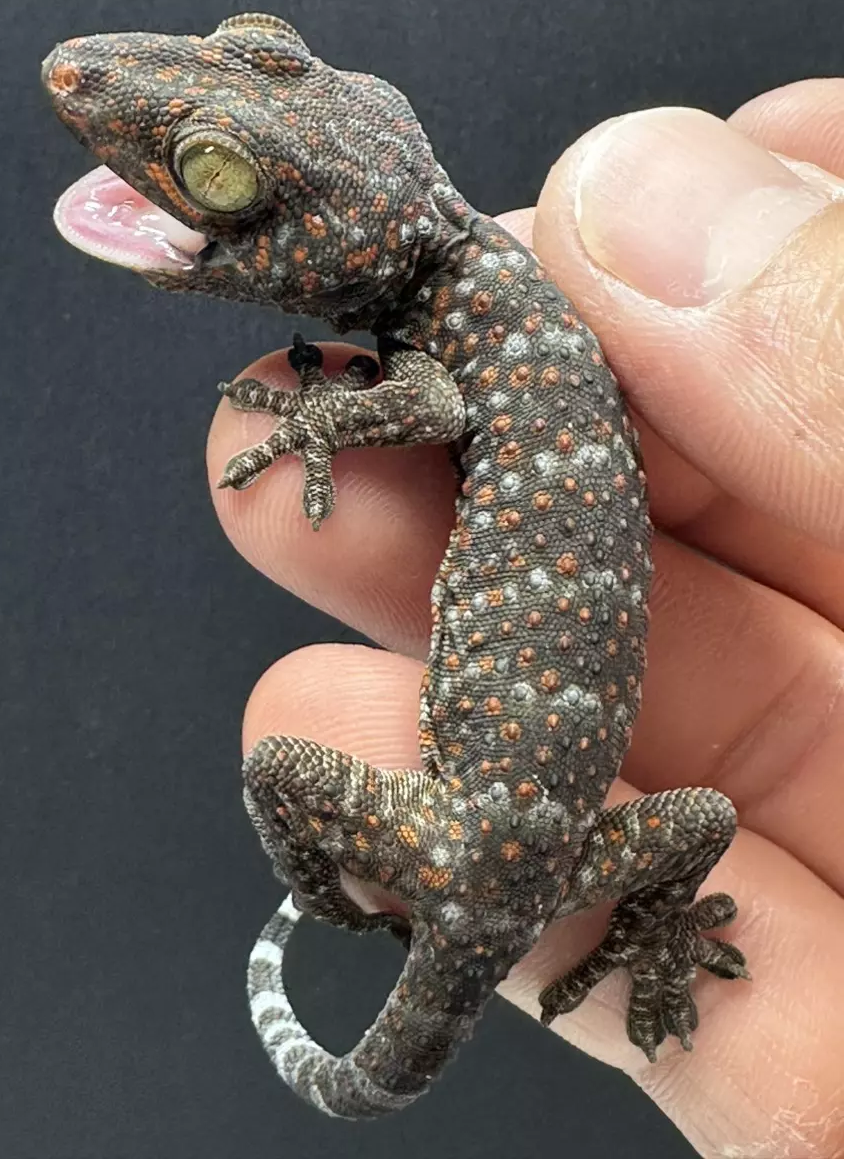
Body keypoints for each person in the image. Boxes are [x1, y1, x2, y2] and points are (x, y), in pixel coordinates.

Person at [209, 79, 844, 1159]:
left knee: (278, 772)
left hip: (527, 853)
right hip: (539, 859)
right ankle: (631, 926)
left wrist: (323, 413)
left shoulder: (460, 319)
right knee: (285, 766)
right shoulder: (475, 292)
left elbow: (435, 405)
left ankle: (321, 897)